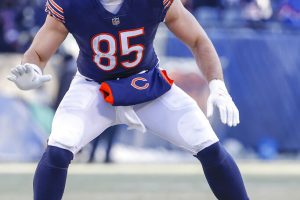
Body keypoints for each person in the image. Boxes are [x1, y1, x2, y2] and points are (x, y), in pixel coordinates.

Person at [6, 0, 249, 199]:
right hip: (93, 87)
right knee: (59, 147)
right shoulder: (71, 3)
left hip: (147, 85)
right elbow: (38, 52)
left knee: (207, 144)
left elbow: (198, 40)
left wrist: (217, 84)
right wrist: (31, 69)